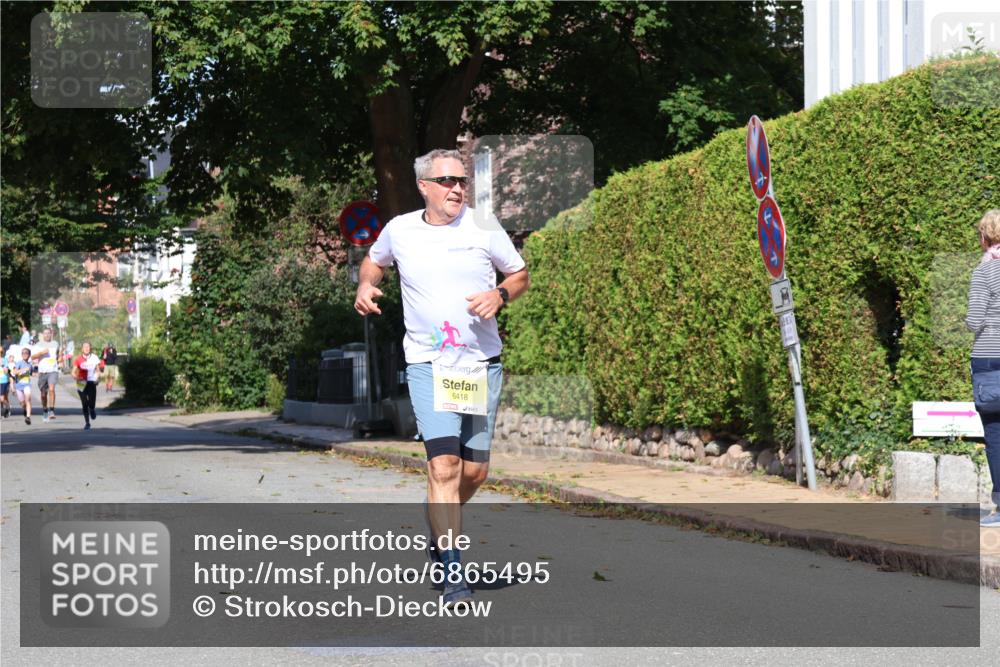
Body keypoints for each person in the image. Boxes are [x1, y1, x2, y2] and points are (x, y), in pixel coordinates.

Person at [355, 148, 530, 606]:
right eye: (447, 181)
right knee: (443, 465)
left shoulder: (482, 226)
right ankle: (453, 569)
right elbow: (374, 260)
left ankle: (438, 514)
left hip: (478, 363)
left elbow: (519, 275)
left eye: (461, 181)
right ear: (424, 186)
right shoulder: (400, 230)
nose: (456, 189)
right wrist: (366, 284)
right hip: (429, 363)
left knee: (475, 471)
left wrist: (499, 294)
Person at [968, 209, 1000, 527]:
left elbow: (974, 320)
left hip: (990, 358)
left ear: (986, 237)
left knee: (996, 435)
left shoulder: (985, 272)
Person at [31, 327, 61, 422]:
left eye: (48, 333)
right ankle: (45, 410)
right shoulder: (38, 345)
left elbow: (58, 353)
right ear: (42, 335)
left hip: (53, 370)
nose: (47, 335)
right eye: (45, 333)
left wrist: (59, 360)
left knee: (51, 389)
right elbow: (32, 357)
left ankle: (51, 410)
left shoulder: (55, 344)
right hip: (43, 372)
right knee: (43, 394)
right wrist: (41, 353)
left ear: (51, 334)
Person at [73, 342, 104, 430]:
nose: (86, 348)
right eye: (85, 347)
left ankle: (92, 409)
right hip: (81, 382)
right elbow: (73, 372)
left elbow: (97, 370)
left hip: (91, 381)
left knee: (91, 402)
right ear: (82, 349)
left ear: (90, 348)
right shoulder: (78, 359)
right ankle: (87, 423)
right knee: (84, 403)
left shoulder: (94, 357)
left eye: (88, 347)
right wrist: (76, 377)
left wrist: (97, 378)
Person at [11, 347, 34, 424]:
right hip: (19, 386)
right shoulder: (19, 363)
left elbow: (32, 373)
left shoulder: (30, 365)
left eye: (26, 353)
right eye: (23, 353)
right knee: (22, 403)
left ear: (29, 355)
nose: (24, 354)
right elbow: (14, 372)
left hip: (27, 385)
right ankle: (24, 409)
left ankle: (28, 417)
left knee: (28, 399)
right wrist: (23, 370)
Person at [0, 345, 10, 419]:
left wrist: (2, 365)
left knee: (2, 399)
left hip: (3, 381)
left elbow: (6, 371)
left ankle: (7, 407)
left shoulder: (5, 360)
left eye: (1, 352)